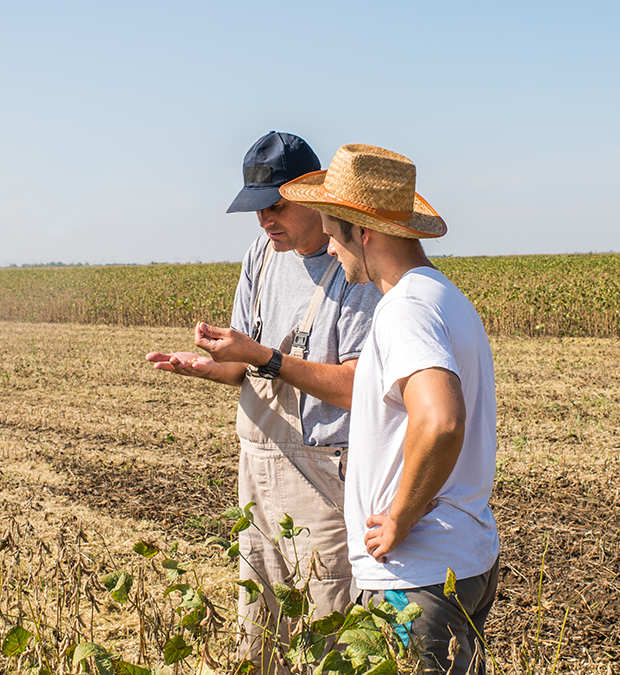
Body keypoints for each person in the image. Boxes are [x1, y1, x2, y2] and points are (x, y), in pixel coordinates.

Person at [145, 132, 382, 669]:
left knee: (327, 634)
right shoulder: (261, 254)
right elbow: (243, 367)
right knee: (259, 631)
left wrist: (263, 356)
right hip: (254, 470)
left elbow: (356, 387)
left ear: (314, 196)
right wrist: (207, 366)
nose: (263, 222)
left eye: (274, 206)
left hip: (322, 479)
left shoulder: (355, 269)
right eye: (256, 209)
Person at [279, 143, 501, 675]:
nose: (331, 250)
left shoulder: (403, 309)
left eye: (334, 235)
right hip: (461, 558)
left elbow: (441, 418)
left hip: (417, 576)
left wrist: (399, 516)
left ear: (366, 233)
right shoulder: (445, 296)